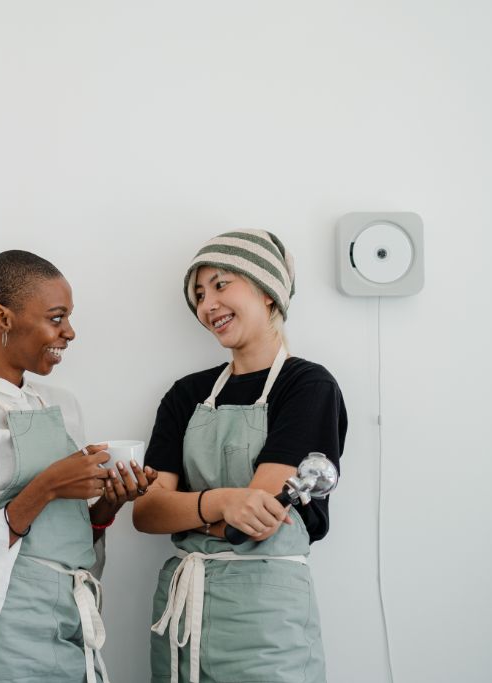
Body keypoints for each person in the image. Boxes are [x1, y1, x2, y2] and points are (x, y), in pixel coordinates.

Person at [0, 249, 157, 683]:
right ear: (1, 318)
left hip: (63, 632)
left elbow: (64, 550)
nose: (70, 332)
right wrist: (45, 487)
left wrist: (106, 509)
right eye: (56, 318)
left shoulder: (63, 406)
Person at [133, 230, 347, 683]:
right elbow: (148, 512)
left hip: (266, 616)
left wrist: (193, 511)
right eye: (198, 293)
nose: (207, 304)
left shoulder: (308, 387)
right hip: (183, 617)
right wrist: (223, 504)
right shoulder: (186, 394)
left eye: (221, 283)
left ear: (269, 294)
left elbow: (257, 516)